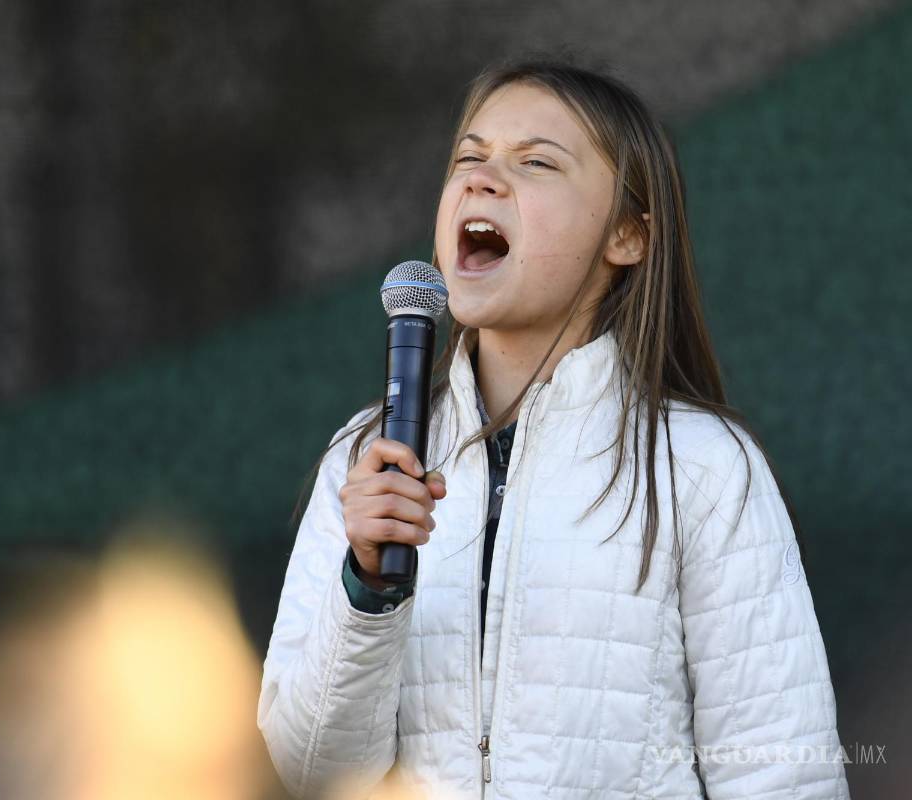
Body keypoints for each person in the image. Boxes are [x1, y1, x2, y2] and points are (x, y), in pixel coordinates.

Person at [257, 57, 850, 799]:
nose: (482, 178)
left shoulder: (702, 466)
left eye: (535, 162)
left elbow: (784, 774)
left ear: (628, 236)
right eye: (468, 158)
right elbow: (309, 773)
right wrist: (367, 589)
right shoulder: (365, 456)